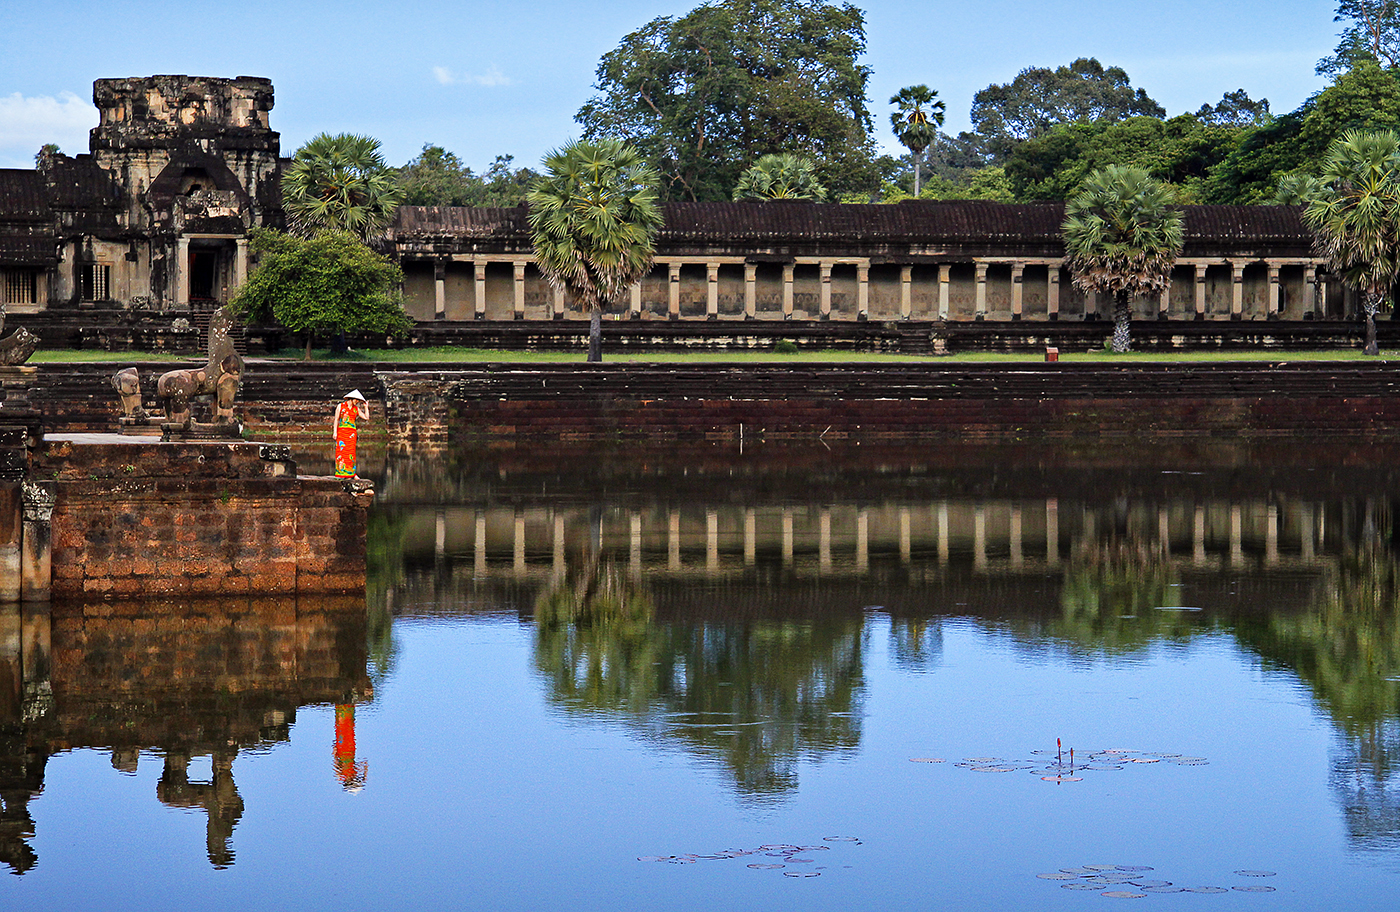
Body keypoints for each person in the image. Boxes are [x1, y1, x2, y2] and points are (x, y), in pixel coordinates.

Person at [333, 389, 369, 478]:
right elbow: (336, 419)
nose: (357, 402)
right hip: (342, 432)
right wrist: (335, 432)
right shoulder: (340, 406)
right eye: (356, 400)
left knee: (351, 453)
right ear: (351, 399)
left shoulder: (356, 409)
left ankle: (352, 473)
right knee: (341, 453)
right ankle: (341, 472)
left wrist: (366, 407)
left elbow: (366, 417)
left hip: (351, 433)